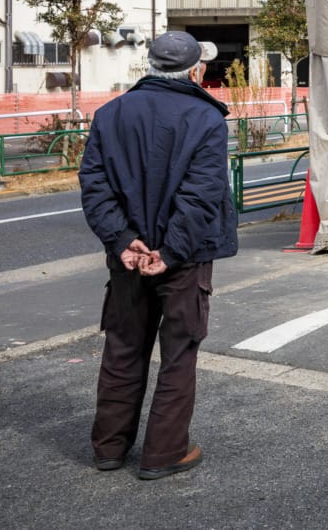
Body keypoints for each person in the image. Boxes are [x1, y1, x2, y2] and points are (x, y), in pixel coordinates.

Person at [79, 31, 238, 480]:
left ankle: (109, 447)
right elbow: (201, 196)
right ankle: (164, 453)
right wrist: (169, 251)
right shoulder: (205, 118)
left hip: (128, 256)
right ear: (195, 71)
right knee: (178, 351)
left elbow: (94, 185)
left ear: (149, 66)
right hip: (181, 259)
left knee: (123, 347)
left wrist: (122, 238)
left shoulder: (110, 114)